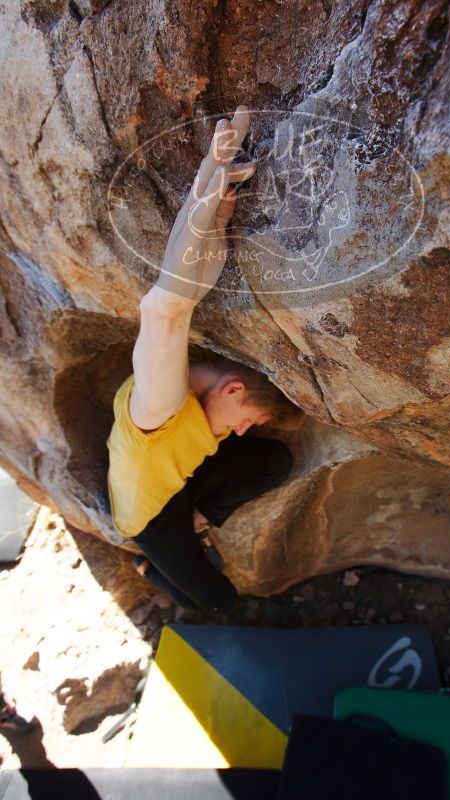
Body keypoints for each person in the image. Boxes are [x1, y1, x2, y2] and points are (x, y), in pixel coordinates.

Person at [106, 104, 304, 618]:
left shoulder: (194, 401)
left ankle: (200, 517)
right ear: (233, 390)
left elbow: (187, 294)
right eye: (245, 421)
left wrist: (213, 221)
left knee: (274, 461)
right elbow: (164, 308)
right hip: (151, 515)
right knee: (217, 600)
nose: (241, 432)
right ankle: (152, 567)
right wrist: (205, 179)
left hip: (180, 478)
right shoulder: (160, 408)